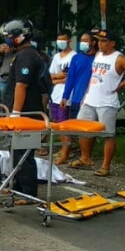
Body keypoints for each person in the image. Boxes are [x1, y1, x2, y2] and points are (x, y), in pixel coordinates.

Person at [72, 29, 125, 177]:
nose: (100, 44)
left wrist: (121, 85)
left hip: (107, 102)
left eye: (104, 41)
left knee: (108, 134)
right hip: (91, 98)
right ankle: (85, 157)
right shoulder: (98, 55)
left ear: (112, 43)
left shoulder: (119, 58)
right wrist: (85, 95)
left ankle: (106, 166)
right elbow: (93, 76)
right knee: (82, 129)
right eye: (99, 41)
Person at [0, 18, 47, 200]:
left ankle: (27, 192)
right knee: (16, 151)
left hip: (25, 113)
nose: (8, 40)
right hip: (20, 111)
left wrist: (16, 114)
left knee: (23, 153)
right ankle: (17, 185)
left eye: (10, 37)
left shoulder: (27, 55)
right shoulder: (20, 54)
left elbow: (22, 85)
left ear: (20, 37)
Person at [59, 31, 98, 164]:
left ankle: (86, 156)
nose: (83, 43)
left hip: (91, 99)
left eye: (85, 40)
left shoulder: (98, 58)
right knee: (74, 127)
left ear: (93, 43)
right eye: (82, 40)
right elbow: (71, 78)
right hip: (76, 98)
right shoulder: (77, 58)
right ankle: (70, 154)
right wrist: (65, 96)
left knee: (89, 129)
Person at [48, 29, 76, 162]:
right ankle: (63, 149)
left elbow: (70, 78)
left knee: (64, 125)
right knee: (57, 123)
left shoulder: (74, 57)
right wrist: (58, 77)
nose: (60, 42)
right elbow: (50, 76)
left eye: (63, 40)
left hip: (66, 96)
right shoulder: (57, 57)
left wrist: (56, 79)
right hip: (55, 94)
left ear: (69, 40)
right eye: (58, 40)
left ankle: (65, 153)